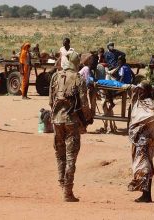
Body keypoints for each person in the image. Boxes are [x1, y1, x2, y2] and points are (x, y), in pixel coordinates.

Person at [49, 50, 92, 202]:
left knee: (59, 153)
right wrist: (87, 118)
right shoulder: (78, 78)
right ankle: (68, 191)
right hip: (71, 121)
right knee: (70, 156)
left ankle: (61, 182)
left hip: (56, 120)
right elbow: (84, 103)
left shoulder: (56, 76)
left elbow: (50, 100)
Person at [127, 81, 154, 203]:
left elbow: (153, 118)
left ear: (148, 92)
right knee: (144, 166)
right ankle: (146, 194)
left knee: (145, 167)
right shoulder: (137, 103)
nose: (139, 92)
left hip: (146, 141)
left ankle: (146, 195)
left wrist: (141, 127)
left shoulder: (150, 105)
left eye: (142, 90)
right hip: (138, 140)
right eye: (138, 90)